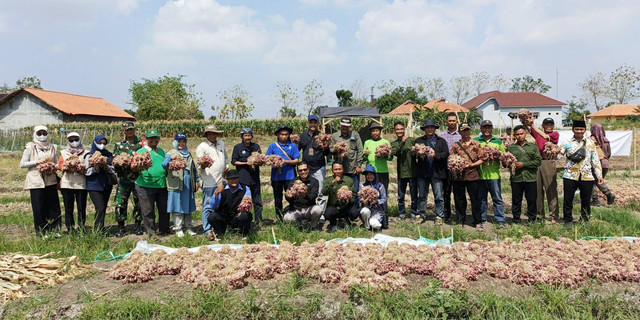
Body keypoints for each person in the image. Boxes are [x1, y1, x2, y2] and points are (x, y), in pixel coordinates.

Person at [561, 120, 604, 228]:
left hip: (587, 176)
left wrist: (599, 175)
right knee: (568, 199)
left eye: (581, 129)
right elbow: (558, 155)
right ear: (573, 130)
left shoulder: (590, 143)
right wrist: (552, 150)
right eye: (577, 129)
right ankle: (568, 220)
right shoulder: (567, 143)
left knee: (586, 200)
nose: (579, 131)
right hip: (570, 175)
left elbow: (595, 160)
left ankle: (585, 219)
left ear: (585, 130)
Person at [20, 125, 61, 236]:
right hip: (36, 182)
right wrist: (36, 162)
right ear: (35, 134)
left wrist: (52, 166)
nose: (42, 136)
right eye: (39, 133)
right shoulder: (30, 147)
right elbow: (22, 164)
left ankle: (55, 229)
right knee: (39, 207)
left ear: (48, 134)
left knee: (53, 206)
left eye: (44, 133)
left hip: (50, 180)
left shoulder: (53, 147)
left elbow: (57, 163)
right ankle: (41, 231)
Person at [162, 133, 199, 237]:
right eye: (179, 141)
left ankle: (188, 227)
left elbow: (194, 169)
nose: (181, 144)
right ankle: (178, 228)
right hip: (176, 182)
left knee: (188, 204)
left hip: (188, 182)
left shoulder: (188, 154)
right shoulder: (170, 153)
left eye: (183, 141)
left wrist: (196, 181)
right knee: (177, 205)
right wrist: (170, 159)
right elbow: (164, 165)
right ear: (175, 142)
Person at [133, 129, 169, 236]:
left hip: (161, 184)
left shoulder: (162, 151)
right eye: (151, 138)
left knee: (164, 209)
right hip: (145, 185)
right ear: (147, 139)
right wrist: (140, 166)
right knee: (148, 210)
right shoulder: (140, 152)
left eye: (156, 138)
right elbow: (133, 168)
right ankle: (151, 233)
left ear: (158, 139)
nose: (154, 140)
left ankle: (164, 230)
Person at [414, 119, 449, 224]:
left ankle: (439, 216)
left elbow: (445, 154)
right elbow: (412, 155)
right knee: (422, 196)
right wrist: (417, 152)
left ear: (434, 129)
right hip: (423, 172)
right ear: (424, 129)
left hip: (437, 173)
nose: (429, 129)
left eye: (431, 127)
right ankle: (421, 215)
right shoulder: (419, 140)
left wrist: (435, 155)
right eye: (427, 128)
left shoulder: (441, 141)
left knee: (438, 196)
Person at [196, 125, 228, 240]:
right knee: (208, 206)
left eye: (214, 133)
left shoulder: (221, 144)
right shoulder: (202, 147)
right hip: (209, 181)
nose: (212, 135)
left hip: (220, 180)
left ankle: (217, 227)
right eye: (210, 134)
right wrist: (204, 164)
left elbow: (225, 157)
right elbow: (200, 164)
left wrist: (226, 166)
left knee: (219, 204)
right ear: (206, 135)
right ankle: (207, 230)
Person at [449, 123, 484, 228]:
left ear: (471, 131)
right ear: (459, 132)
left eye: (467, 130)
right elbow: (451, 158)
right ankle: (461, 220)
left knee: (475, 199)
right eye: (463, 130)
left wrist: (471, 165)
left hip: (473, 174)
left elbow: (482, 159)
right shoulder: (456, 145)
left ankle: (477, 221)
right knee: (459, 199)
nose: (466, 132)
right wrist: (456, 164)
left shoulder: (476, 144)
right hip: (459, 176)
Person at [113, 121, 143, 237]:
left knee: (139, 203)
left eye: (131, 129)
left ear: (134, 130)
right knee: (120, 203)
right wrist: (120, 162)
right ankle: (121, 227)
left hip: (137, 178)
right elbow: (114, 159)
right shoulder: (119, 144)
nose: (129, 132)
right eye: (127, 130)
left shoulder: (140, 144)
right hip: (123, 179)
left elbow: (144, 158)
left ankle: (137, 226)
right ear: (123, 131)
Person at [474, 120, 506, 227]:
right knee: (481, 199)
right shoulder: (476, 141)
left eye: (489, 128)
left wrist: (496, 154)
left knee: (497, 198)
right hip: (480, 174)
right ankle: (482, 218)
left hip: (494, 175)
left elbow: (504, 156)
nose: (487, 130)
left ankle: (500, 219)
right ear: (481, 129)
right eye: (484, 128)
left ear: (492, 129)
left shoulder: (497, 141)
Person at [507, 125, 542, 224]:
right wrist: (510, 163)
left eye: (521, 134)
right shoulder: (511, 148)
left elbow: (538, 161)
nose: (519, 136)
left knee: (531, 200)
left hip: (530, 178)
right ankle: (516, 220)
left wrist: (524, 164)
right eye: (517, 134)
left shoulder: (533, 147)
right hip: (516, 178)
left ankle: (532, 220)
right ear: (514, 135)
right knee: (516, 200)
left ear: (525, 133)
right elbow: (506, 162)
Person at [266, 125, 300, 221]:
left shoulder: (292, 146)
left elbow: (297, 160)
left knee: (292, 197)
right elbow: (267, 159)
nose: (284, 136)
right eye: (282, 134)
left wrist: (285, 162)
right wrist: (275, 162)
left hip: (290, 176)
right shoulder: (273, 146)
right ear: (277, 135)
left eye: (286, 134)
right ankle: (279, 217)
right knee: (277, 198)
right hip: (276, 177)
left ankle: (293, 215)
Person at [529, 118, 560, 223]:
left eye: (551, 124)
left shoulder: (554, 134)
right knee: (537, 190)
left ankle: (553, 216)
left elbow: (545, 136)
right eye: (546, 124)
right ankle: (539, 215)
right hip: (537, 162)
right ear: (542, 125)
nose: (549, 126)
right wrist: (529, 120)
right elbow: (528, 127)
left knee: (551, 189)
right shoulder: (537, 134)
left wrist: (533, 126)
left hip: (548, 162)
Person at [362, 122, 392, 228]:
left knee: (382, 195)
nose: (375, 132)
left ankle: (384, 220)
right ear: (371, 132)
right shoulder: (367, 142)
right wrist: (365, 155)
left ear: (380, 132)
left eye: (377, 130)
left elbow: (390, 158)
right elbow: (364, 158)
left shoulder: (385, 142)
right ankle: (369, 216)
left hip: (382, 171)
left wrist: (386, 153)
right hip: (371, 172)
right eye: (373, 131)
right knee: (369, 194)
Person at [231, 128, 263, 226]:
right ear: (242, 137)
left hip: (254, 179)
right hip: (242, 178)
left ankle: (258, 222)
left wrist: (258, 162)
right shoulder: (237, 147)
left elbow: (261, 160)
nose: (248, 137)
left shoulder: (256, 146)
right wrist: (246, 163)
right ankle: (241, 221)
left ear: (252, 137)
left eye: (249, 135)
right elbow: (234, 161)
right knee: (242, 201)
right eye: (245, 135)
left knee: (257, 201)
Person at [297, 115, 330, 208]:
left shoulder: (321, 136)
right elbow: (297, 150)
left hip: (319, 168)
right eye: (311, 122)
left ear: (318, 123)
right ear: (308, 123)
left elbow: (327, 153)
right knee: (306, 190)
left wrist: (326, 146)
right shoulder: (303, 136)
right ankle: (308, 211)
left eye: (315, 122)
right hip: (306, 169)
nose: (313, 124)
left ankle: (321, 215)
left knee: (320, 192)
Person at [58, 132, 88, 232]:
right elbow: (60, 166)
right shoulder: (63, 152)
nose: (74, 142)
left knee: (81, 207)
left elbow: (88, 167)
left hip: (81, 183)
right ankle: (70, 227)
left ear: (80, 140)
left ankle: (81, 226)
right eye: (71, 140)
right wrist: (68, 166)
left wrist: (80, 168)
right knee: (68, 207)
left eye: (76, 139)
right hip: (67, 183)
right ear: (68, 141)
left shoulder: (85, 152)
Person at [208, 170, 252, 237]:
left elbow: (248, 204)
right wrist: (216, 194)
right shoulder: (221, 189)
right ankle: (220, 232)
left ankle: (243, 233)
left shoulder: (245, 189)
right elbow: (212, 207)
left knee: (246, 216)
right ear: (227, 180)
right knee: (212, 216)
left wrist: (246, 203)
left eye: (236, 178)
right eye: (231, 179)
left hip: (237, 215)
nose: (234, 180)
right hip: (224, 216)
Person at [84, 135, 114, 232]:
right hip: (94, 185)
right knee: (100, 207)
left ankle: (101, 228)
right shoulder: (89, 156)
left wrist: (106, 166)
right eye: (100, 143)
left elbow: (113, 169)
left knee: (104, 207)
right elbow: (86, 172)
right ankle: (97, 229)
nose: (102, 145)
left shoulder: (108, 155)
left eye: (104, 143)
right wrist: (95, 168)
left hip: (106, 185)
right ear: (95, 143)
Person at [390, 121, 417, 219]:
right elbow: (395, 152)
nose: (399, 131)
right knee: (401, 196)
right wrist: (402, 142)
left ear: (404, 129)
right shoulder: (394, 143)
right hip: (401, 173)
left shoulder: (412, 140)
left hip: (413, 172)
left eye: (401, 129)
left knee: (414, 195)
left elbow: (417, 152)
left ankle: (414, 212)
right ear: (394, 131)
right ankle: (402, 213)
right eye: (397, 129)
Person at [283, 162, 323, 228]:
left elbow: (314, 196)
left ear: (308, 170)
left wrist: (305, 195)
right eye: (300, 170)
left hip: (309, 208)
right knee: (287, 218)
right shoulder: (292, 182)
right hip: (296, 209)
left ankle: (313, 227)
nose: (303, 172)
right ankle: (299, 226)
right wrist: (288, 196)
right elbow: (288, 199)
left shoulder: (314, 181)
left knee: (318, 209)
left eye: (305, 169)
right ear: (297, 172)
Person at [322, 162, 359, 232]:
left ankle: (347, 221)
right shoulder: (328, 180)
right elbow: (324, 192)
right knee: (327, 214)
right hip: (334, 207)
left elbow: (354, 195)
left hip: (346, 206)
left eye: (339, 169)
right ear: (332, 170)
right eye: (335, 169)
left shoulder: (349, 180)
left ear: (343, 169)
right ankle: (333, 224)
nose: (338, 171)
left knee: (355, 213)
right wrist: (333, 182)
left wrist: (347, 197)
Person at [331, 117, 364, 190]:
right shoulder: (334, 136)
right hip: (339, 169)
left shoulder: (355, 135)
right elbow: (330, 149)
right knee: (340, 189)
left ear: (349, 126)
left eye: (347, 126)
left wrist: (359, 165)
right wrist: (336, 149)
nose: (345, 128)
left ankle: (354, 202)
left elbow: (360, 149)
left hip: (353, 168)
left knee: (354, 189)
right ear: (340, 125)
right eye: (343, 126)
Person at [440, 113, 461, 221]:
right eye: (450, 121)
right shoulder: (442, 135)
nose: (452, 122)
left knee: (458, 193)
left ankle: (459, 216)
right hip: (446, 168)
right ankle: (446, 215)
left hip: (458, 169)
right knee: (446, 192)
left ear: (457, 121)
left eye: (454, 120)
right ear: (447, 122)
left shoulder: (461, 135)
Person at [590, 123, 616, 206]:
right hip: (605, 164)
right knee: (599, 181)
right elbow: (608, 153)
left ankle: (597, 199)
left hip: (595, 164)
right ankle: (605, 196)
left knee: (592, 182)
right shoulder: (606, 140)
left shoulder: (591, 140)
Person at [359, 165, 387, 230]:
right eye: (367, 174)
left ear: (374, 175)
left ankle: (373, 223)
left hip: (377, 210)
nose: (369, 176)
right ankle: (366, 225)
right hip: (366, 208)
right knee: (364, 211)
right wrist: (363, 200)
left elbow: (384, 199)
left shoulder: (380, 186)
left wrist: (377, 201)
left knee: (375, 225)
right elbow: (359, 198)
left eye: (371, 174)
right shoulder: (362, 186)